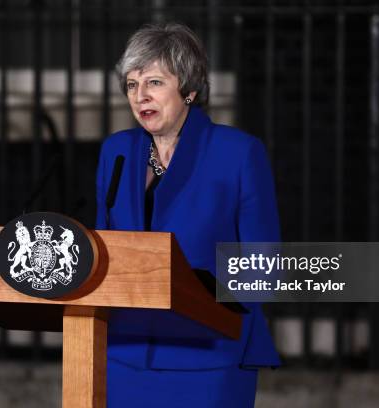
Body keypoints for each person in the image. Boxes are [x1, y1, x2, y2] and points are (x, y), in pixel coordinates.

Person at [95, 22, 281, 407]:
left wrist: (196, 287)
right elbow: (102, 251)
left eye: (154, 82)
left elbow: (264, 265)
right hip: (124, 356)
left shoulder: (238, 153)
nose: (140, 95)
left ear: (190, 89)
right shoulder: (116, 151)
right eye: (132, 84)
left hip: (209, 356)